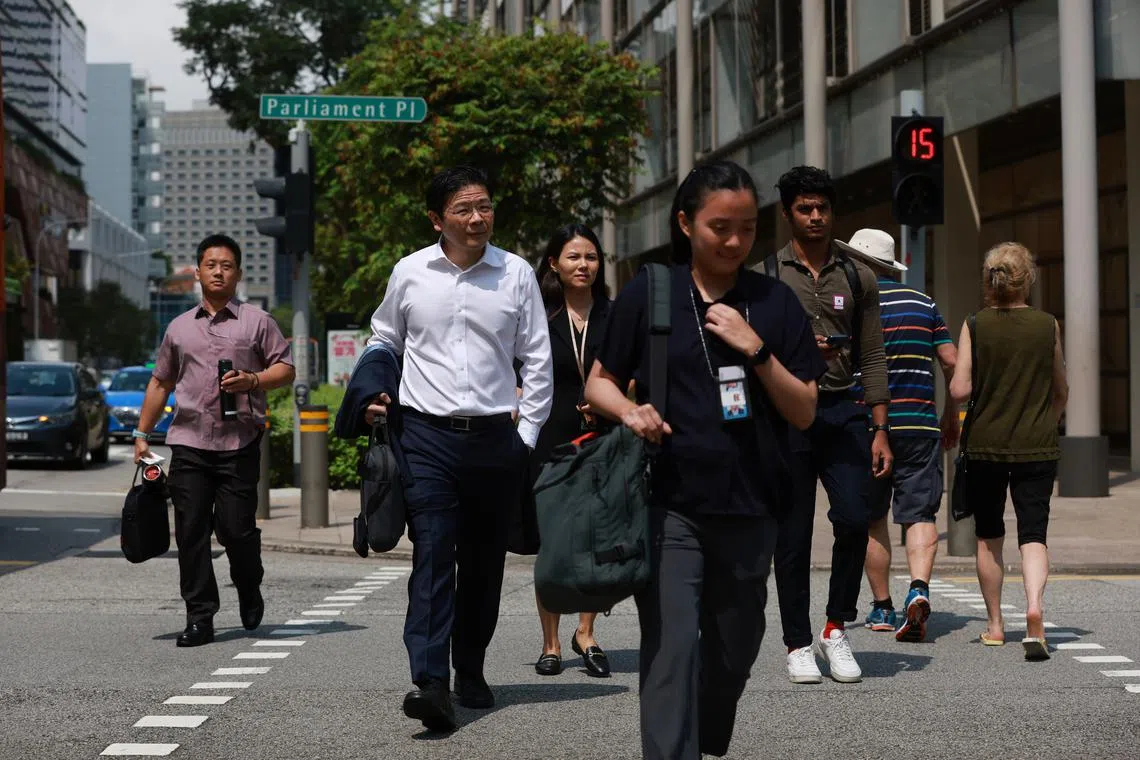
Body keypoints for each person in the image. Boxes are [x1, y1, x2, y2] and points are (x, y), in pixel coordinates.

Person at [585, 160, 826, 760]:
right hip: (670, 503)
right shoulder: (654, 290)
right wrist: (630, 411)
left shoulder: (775, 302)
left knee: (736, 646)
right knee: (670, 650)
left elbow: (805, 411)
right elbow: (599, 382)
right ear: (687, 223)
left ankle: (705, 729)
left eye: (747, 228)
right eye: (721, 227)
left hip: (753, 506)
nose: (735, 241)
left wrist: (757, 349)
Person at [363, 166, 553, 731]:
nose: (477, 218)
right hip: (425, 438)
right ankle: (430, 681)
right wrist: (375, 385)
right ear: (436, 218)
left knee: (483, 565)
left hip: (496, 439)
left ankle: (469, 666)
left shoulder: (515, 273)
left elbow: (536, 358)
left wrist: (525, 437)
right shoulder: (411, 272)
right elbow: (385, 336)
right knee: (433, 556)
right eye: (464, 209)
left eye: (484, 207)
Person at [756, 166, 892, 685]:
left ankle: (836, 627)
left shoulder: (858, 276)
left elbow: (874, 354)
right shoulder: (767, 275)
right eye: (805, 209)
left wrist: (880, 427)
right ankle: (796, 642)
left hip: (843, 411)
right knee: (790, 535)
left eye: (823, 209)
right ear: (788, 214)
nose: (815, 217)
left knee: (856, 517)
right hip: (785, 416)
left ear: (834, 213)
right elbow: (741, 347)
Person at [134, 233, 295, 648]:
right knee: (190, 533)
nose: (218, 271)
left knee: (236, 531)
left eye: (226, 265)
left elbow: (286, 368)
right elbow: (160, 381)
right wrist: (140, 434)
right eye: (210, 264)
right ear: (198, 272)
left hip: (239, 442)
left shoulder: (257, 322)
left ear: (238, 273)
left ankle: (248, 582)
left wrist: (254, 379)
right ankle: (200, 617)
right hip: (187, 442)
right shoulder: (178, 328)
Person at [949, 242, 1067, 661]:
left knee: (989, 537)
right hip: (1038, 446)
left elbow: (959, 389)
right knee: (1033, 534)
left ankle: (996, 625)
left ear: (991, 280)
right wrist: (1045, 424)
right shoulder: (1047, 324)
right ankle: (1035, 608)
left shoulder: (975, 324)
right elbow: (1061, 389)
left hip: (985, 446)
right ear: (1027, 279)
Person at [844, 229, 959, 643]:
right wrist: (951, 417)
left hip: (866, 426)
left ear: (863, 265)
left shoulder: (855, 305)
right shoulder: (924, 304)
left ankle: (881, 607)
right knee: (920, 516)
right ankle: (919, 589)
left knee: (873, 518)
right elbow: (951, 363)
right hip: (921, 425)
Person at [529, 223, 613, 678]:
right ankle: (551, 643)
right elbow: (513, 374)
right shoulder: (537, 318)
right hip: (551, 438)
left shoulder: (616, 315)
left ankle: (587, 633)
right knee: (553, 546)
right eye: (574, 257)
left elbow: (635, 374)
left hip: (604, 438)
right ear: (554, 265)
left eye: (592, 257)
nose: (584, 265)